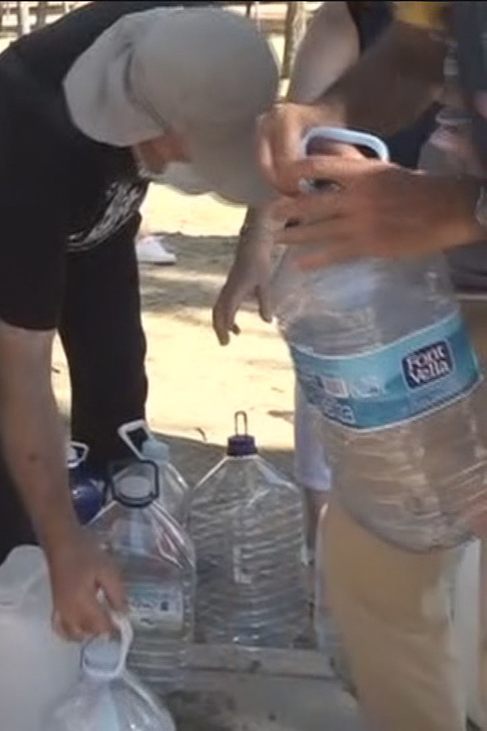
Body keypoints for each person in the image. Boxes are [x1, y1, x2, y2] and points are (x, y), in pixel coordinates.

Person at [0, 0, 279, 640]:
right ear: (154, 127)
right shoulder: (40, 128)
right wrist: (58, 543)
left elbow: (270, 138)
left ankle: (117, 551)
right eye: (198, 151)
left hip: (95, 223)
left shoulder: (193, 41)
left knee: (116, 381)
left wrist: (258, 241)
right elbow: (20, 374)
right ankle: (14, 602)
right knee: (1, 424)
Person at [256, 3, 487, 729]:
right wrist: (325, 113)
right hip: (453, 298)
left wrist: (461, 210)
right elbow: (419, 45)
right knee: (376, 553)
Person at [213, 0, 439, 554]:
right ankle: (325, 564)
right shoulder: (356, 15)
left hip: (456, 258)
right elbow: (301, 143)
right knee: (341, 428)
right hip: (359, 263)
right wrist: (256, 248)